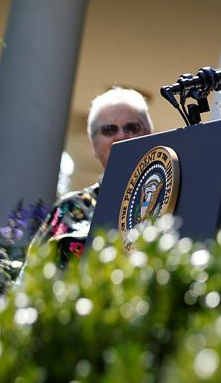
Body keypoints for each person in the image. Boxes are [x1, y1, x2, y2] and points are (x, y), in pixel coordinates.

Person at [29, 87, 153, 261]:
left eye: (132, 127)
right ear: (94, 146)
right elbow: (30, 280)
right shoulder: (70, 208)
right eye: (109, 130)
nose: (122, 136)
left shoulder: (171, 196)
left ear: (150, 135)